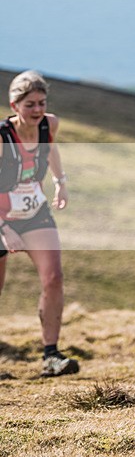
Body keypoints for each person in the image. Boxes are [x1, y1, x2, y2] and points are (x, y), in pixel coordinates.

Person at [0, 70, 79, 377]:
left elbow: (51, 147)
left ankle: (51, 355)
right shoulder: (4, 137)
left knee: (54, 278)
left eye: (41, 103)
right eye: (29, 104)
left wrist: (60, 181)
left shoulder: (49, 123)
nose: (36, 110)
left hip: (34, 213)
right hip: (2, 217)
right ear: (14, 104)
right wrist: (4, 229)